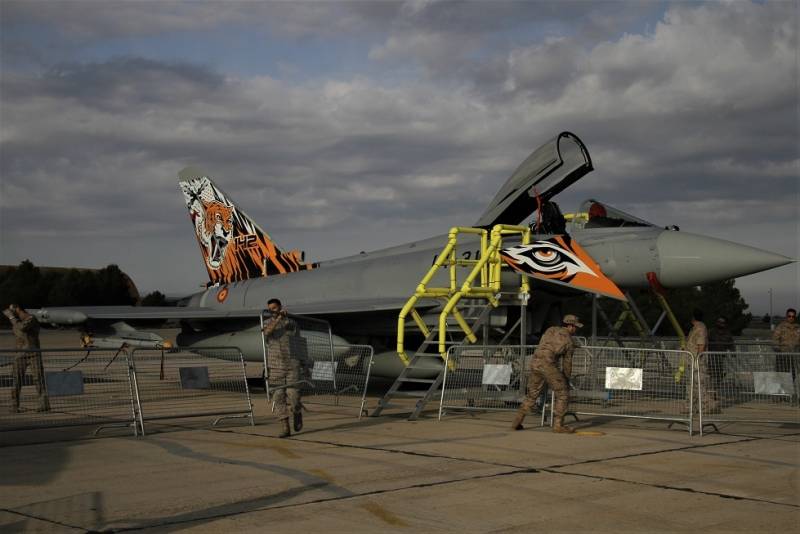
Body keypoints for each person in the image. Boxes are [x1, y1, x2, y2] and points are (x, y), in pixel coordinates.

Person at [511, 314, 582, 434]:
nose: (576, 330)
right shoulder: (569, 341)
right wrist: (566, 379)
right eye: (575, 327)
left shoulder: (551, 329)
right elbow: (567, 364)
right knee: (563, 394)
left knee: (532, 395)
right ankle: (558, 425)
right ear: (570, 326)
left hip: (535, 363)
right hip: (548, 366)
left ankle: (516, 422)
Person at [262, 298, 302, 438]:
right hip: (276, 365)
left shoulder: (292, 323)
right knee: (278, 397)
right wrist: (278, 318)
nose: (272, 310)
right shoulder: (267, 322)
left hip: (292, 364)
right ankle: (285, 428)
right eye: (270, 308)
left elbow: (298, 342)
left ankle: (297, 412)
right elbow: (267, 333)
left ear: (280, 307)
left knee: (294, 396)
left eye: (275, 308)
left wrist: (304, 363)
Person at [3, 304, 50, 413]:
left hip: (33, 353)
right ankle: (15, 405)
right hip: (19, 354)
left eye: (12, 309)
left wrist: (11, 317)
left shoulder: (31, 318)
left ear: (18, 309)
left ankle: (44, 404)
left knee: (38, 379)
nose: (10, 312)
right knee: (16, 379)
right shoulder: (16, 321)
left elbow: (22, 328)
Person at [686, 308, 717, 413]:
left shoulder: (700, 328)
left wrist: (697, 359)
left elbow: (701, 345)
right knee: (693, 385)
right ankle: (693, 407)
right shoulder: (695, 328)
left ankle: (706, 407)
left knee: (700, 384)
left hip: (697, 361)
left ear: (693, 317)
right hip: (692, 359)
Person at [707, 317, 735, 391]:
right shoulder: (711, 332)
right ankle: (711, 390)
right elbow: (705, 341)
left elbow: (731, 344)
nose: (721, 324)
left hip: (721, 357)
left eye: (723, 322)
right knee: (711, 374)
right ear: (716, 323)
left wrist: (733, 353)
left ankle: (716, 389)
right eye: (719, 322)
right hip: (711, 356)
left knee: (719, 375)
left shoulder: (727, 333)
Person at [772, 308, 799, 377]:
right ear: (786, 316)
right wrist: (778, 350)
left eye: (793, 316)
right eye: (789, 316)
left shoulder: (798, 327)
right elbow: (775, 339)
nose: (791, 318)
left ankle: (791, 387)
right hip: (783, 355)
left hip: (794, 356)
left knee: (793, 375)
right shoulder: (781, 327)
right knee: (782, 375)